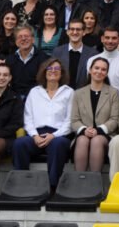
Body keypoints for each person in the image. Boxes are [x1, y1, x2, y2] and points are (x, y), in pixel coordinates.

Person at [12, 58, 74, 189]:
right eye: (49, 68)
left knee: (58, 145)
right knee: (19, 143)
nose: (53, 71)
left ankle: (52, 186)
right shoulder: (34, 92)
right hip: (36, 134)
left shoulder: (69, 92)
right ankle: (22, 185)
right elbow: (28, 118)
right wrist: (35, 136)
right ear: (44, 72)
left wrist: (54, 135)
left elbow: (69, 121)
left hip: (58, 135)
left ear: (62, 73)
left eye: (57, 68)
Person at [70, 57, 119, 172]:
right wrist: (84, 130)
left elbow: (114, 119)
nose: (99, 71)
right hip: (83, 134)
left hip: (106, 135)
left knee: (96, 140)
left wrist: (99, 130)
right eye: (96, 68)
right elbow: (74, 120)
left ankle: (95, 180)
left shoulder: (113, 93)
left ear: (106, 73)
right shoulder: (78, 93)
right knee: (82, 140)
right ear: (90, 70)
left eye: (103, 69)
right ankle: (79, 179)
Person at [88, 26, 119, 95]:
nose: (110, 41)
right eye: (107, 38)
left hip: (118, 100)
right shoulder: (92, 60)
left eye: (114, 38)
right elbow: (90, 85)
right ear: (102, 39)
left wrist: (110, 99)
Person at [5, 25, 50, 98]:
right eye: (20, 37)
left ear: (33, 39)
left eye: (26, 36)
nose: (23, 39)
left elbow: (44, 82)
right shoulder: (10, 59)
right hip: (15, 98)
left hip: (36, 97)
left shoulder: (43, 58)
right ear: (16, 42)